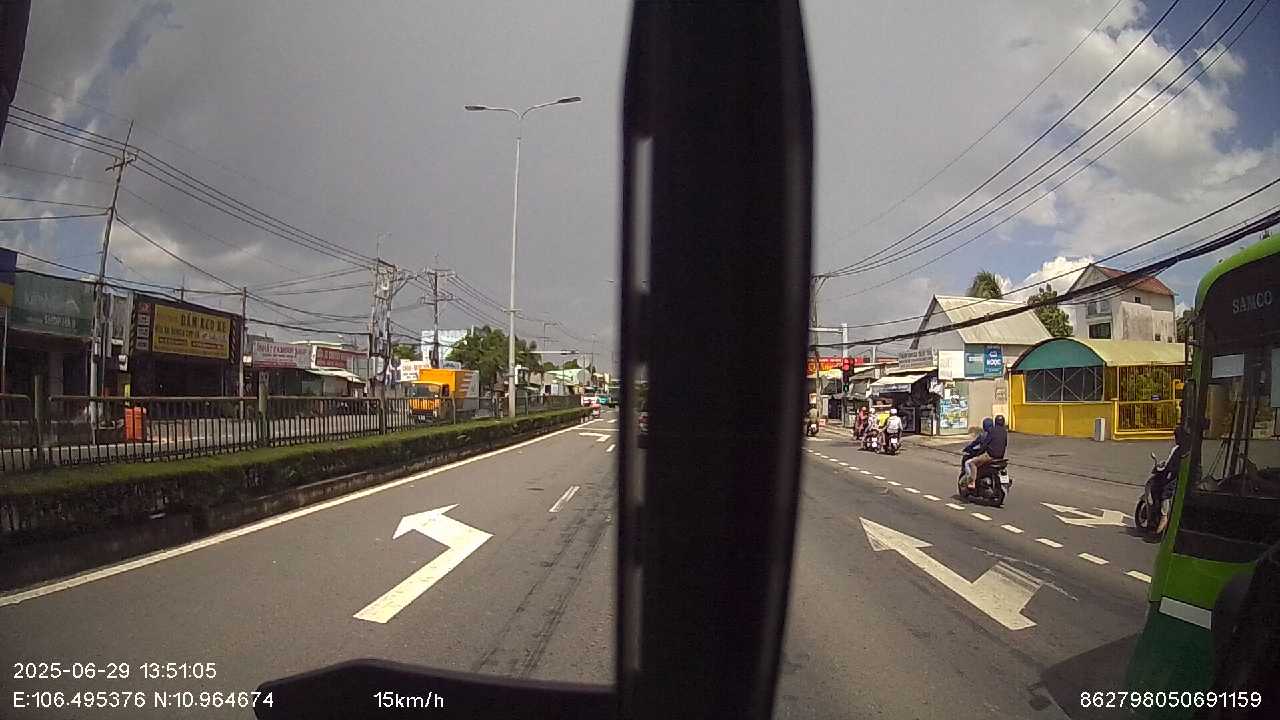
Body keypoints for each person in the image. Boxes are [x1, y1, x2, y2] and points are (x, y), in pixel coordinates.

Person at [961, 418, 994, 488]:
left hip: (986, 456)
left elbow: (974, 443)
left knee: (969, 463)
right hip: (995, 456)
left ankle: (971, 482)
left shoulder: (983, 435)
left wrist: (967, 449)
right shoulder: (995, 435)